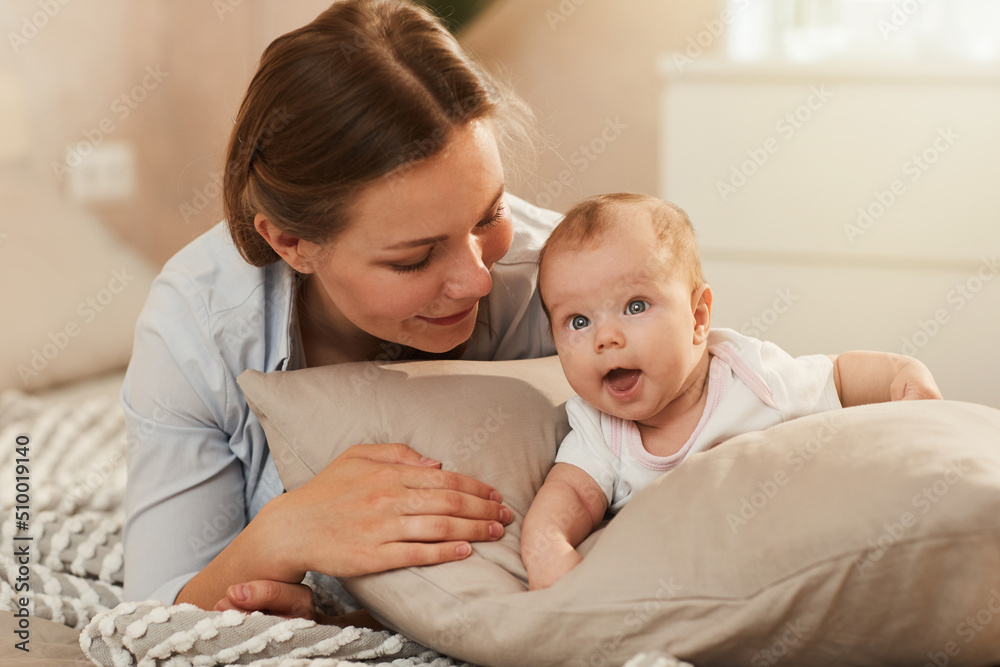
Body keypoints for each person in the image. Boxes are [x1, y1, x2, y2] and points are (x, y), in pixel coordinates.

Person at [122, 0, 561, 624]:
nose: (478, 279)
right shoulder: (199, 324)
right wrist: (280, 536)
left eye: (489, 215)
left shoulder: (563, 282)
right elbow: (146, 619)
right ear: (292, 244)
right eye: (413, 259)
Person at [520, 192, 942, 591]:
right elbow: (569, 496)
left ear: (698, 317)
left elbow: (839, 374)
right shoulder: (599, 431)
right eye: (578, 322)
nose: (605, 338)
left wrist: (902, 374)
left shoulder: (753, 376)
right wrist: (550, 557)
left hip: (793, 555)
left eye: (635, 306)